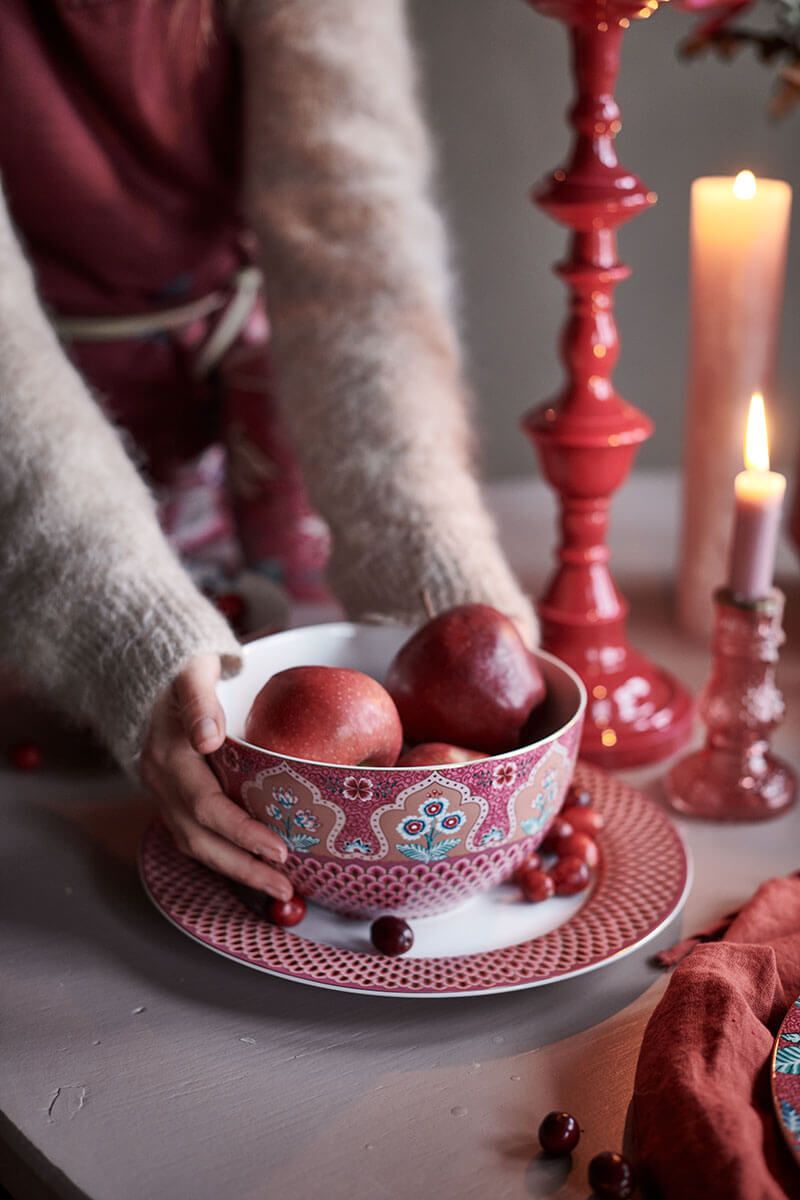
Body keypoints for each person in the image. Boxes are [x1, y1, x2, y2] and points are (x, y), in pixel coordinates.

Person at [0, 0, 534, 901]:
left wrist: (437, 590)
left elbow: (352, 236)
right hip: (39, 485)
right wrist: (132, 627)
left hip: (244, 410)